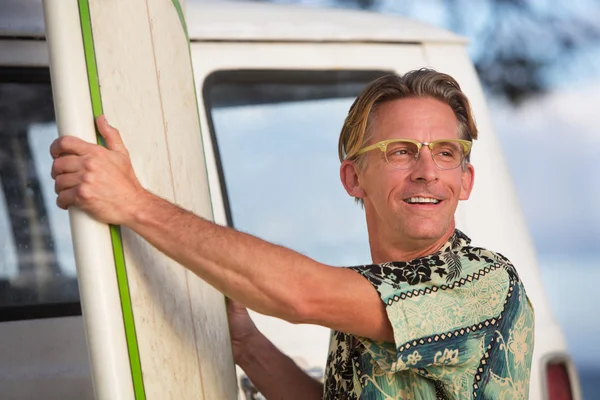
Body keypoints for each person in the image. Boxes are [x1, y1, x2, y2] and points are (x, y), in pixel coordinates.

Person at [50, 68, 534, 399]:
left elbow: (301, 294)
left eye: (447, 152)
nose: (428, 171)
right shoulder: (374, 292)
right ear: (352, 178)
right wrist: (247, 345)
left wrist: (133, 202)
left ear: (465, 180)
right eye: (401, 151)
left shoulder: (480, 283)